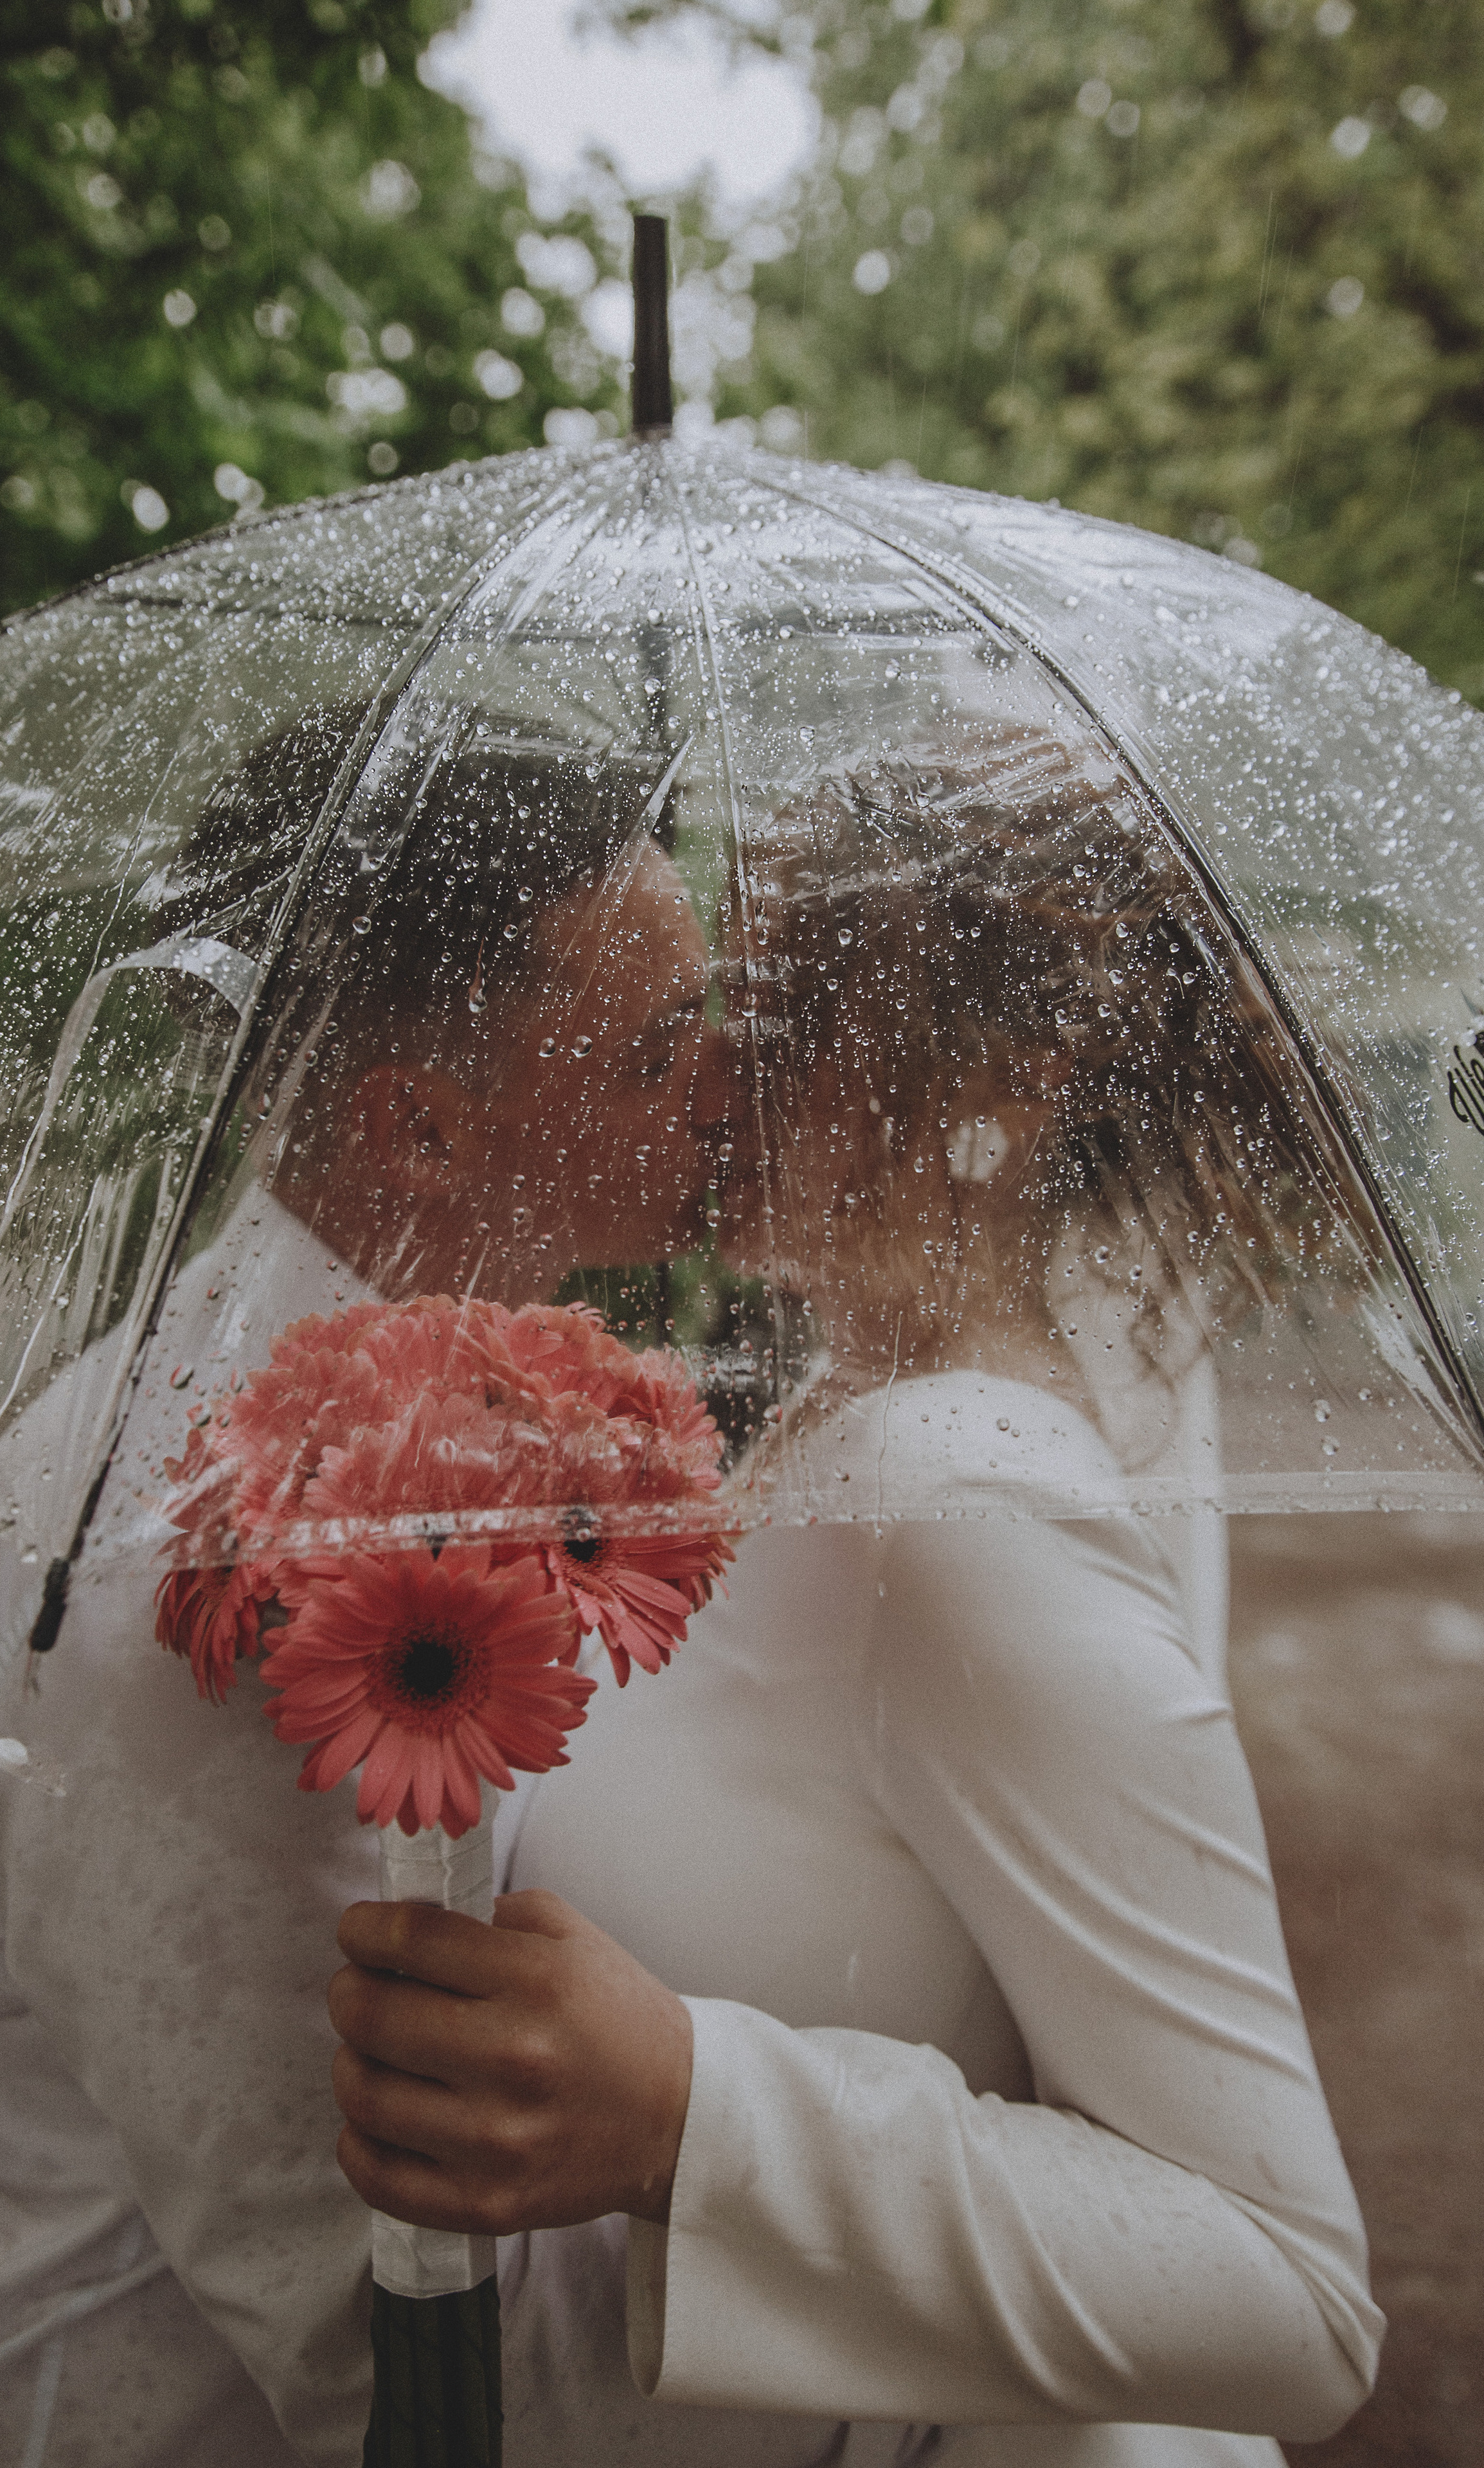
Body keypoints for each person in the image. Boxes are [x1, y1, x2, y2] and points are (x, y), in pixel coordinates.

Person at [325, 729, 1386, 2465]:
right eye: (727, 1001)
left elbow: (1292, 2293)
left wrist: (693, 2112)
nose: (717, 1067)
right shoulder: (847, 1418)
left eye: (796, 1011)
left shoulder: (964, 1507)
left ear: (1012, 1085)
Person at [0, 720, 729, 2466]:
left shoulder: (445, 1382)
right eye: (655, 1049)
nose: (726, 1084)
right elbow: (396, 2354)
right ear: (421, 1129)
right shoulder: (221, 1567)